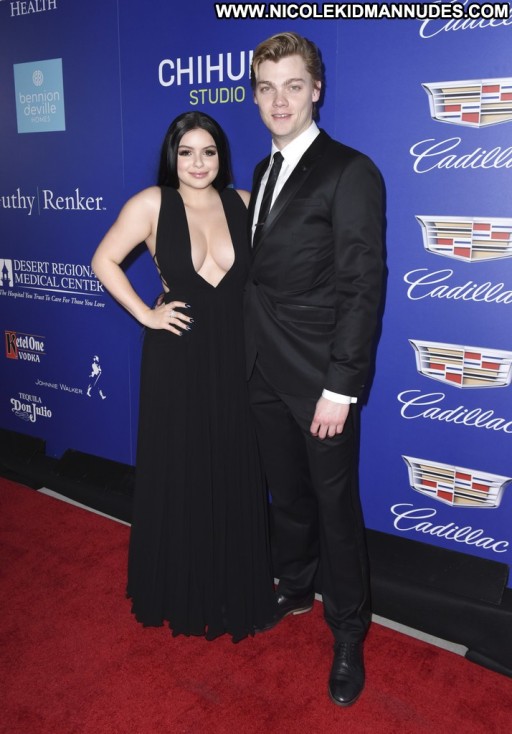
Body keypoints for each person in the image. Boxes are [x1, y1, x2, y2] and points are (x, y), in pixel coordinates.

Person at [92, 111, 276, 642]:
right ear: (172, 156)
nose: (198, 163)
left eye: (208, 152)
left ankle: (233, 588)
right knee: (182, 466)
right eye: (187, 152)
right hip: (177, 356)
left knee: (233, 465)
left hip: (235, 355)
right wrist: (145, 315)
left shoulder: (244, 204)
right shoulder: (152, 204)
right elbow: (103, 260)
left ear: (222, 156)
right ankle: (180, 589)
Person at [245, 32, 384, 704]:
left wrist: (341, 387)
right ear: (255, 95)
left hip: (320, 379)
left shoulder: (349, 171)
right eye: (267, 87)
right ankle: (296, 587)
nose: (280, 101)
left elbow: (362, 287)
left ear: (316, 90)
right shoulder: (262, 170)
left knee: (335, 509)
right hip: (262, 370)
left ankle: (349, 630)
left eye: (293, 86)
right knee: (288, 496)